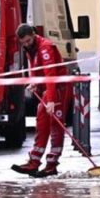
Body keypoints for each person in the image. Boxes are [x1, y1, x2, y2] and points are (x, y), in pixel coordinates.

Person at [11, 23, 70, 177]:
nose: (26, 45)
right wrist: (35, 84)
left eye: (28, 41)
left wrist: (51, 100)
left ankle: (52, 164)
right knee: (41, 123)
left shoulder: (46, 48)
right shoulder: (31, 48)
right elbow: (38, 70)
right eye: (23, 42)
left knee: (55, 126)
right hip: (48, 90)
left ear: (33, 35)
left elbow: (51, 74)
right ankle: (34, 162)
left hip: (57, 90)